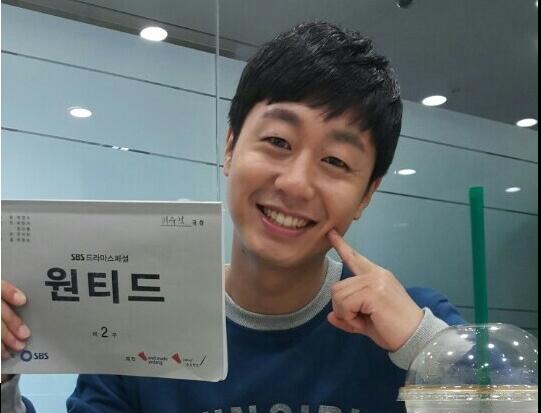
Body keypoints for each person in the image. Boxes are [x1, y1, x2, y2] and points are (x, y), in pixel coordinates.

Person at [1, 21, 464, 413]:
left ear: (367, 195)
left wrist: (424, 347)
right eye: (278, 142)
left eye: (336, 161)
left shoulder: (412, 327)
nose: (296, 183)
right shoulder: (136, 324)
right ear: (229, 147)